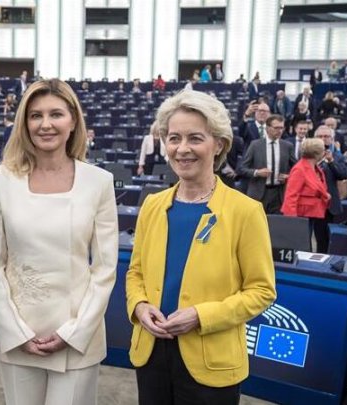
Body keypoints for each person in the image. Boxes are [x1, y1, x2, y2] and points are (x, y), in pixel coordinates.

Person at [126, 90, 276, 405]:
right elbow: (135, 272)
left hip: (213, 361)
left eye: (195, 138)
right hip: (151, 351)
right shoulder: (152, 205)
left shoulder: (245, 211)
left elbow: (262, 291)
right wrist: (139, 307)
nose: (182, 149)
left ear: (218, 144)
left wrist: (200, 315)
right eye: (173, 138)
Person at [0, 78, 118, 405]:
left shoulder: (99, 182)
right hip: (19, 334)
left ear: (73, 121)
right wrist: (15, 331)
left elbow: (105, 268)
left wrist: (75, 331)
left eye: (55, 114)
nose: (45, 124)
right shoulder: (2, 180)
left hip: (77, 337)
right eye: (35, 115)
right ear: (24, 123)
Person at [239, 114, 297, 214]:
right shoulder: (255, 145)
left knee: (276, 226)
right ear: (267, 128)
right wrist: (257, 172)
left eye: (281, 128)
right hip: (258, 193)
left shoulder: (288, 146)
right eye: (276, 128)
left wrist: (288, 176)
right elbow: (242, 168)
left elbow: (297, 169)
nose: (279, 131)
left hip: (279, 194)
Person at [281, 138, 330, 250]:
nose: (325, 152)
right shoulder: (299, 169)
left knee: (307, 243)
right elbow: (291, 196)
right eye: (323, 149)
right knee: (302, 245)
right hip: (301, 216)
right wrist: (292, 221)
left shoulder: (314, 167)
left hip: (312, 213)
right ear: (317, 153)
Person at [314, 125, 347, 253]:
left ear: (332, 139)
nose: (323, 139)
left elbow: (342, 175)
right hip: (313, 203)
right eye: (320, 136)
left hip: (330, 205)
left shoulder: (337, 156)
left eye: (326, 136)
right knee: (318, 239)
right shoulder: (309, 155)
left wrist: (331, 161)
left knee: (330, 240)